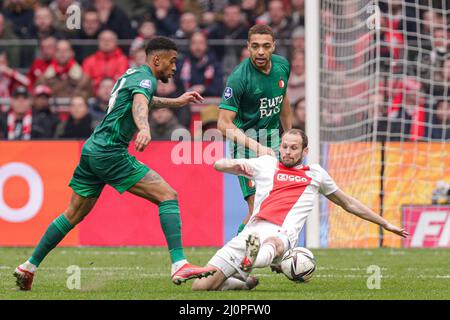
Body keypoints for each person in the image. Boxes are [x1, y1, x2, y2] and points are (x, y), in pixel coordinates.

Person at [13, 37, 216, 291]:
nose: (174, 67)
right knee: (167, 195)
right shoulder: (146, 80)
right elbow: (141, 103)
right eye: (172, 61)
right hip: (110, 151)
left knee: (72, 214)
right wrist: (144, 128)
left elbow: (142, 99)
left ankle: (28, 267)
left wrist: (176, 102)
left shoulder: (133, 75)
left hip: (92, 149)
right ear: (157, 59)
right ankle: (179, 264)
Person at [192, 129, 409, 291]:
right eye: (284, 146)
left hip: (281, 233)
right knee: (200, 288)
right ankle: (241, 283)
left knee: (274, 245)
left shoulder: (315, 174)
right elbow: (218, 165)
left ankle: (254, 258)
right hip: (251, 231)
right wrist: (240, 164)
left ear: (305, 151)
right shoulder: (266, 164)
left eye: (293, 148)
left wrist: (384, 223)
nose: (287, 151)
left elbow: (348, 203)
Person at [217, 24, 293, 234]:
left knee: (276, 206)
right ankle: (235, 256)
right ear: (248, 47)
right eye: (255, 46)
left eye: (266, 46)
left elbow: (283, 100)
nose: (260, 52)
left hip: (274, 142)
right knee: (256, 208)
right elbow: (223, 124)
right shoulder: (239, 78)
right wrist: (257, 148)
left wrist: (289, 136)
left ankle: (272, 253)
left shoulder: (282, 66)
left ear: (274, 47)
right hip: (246, 145)